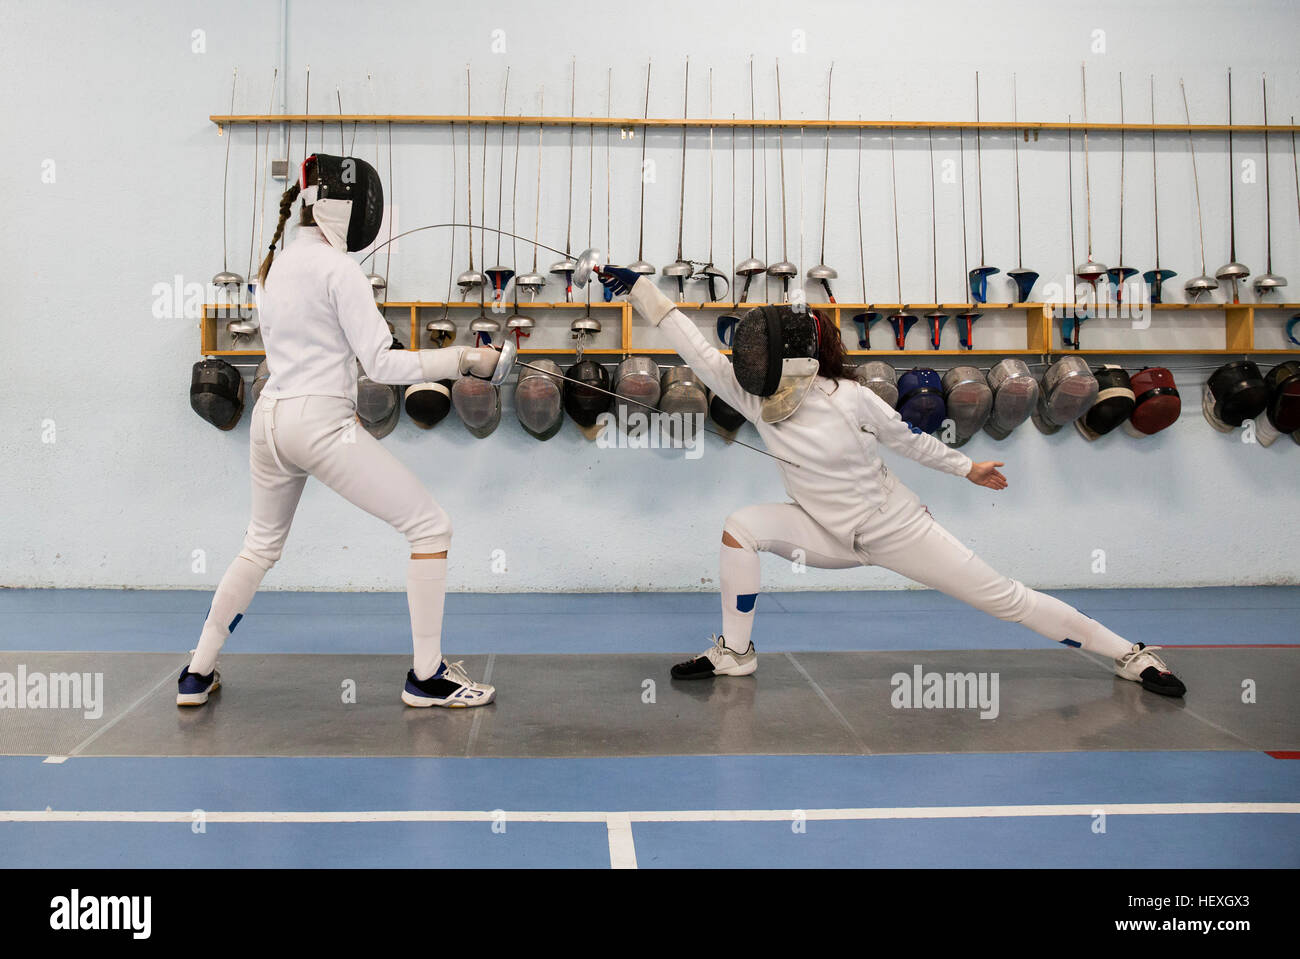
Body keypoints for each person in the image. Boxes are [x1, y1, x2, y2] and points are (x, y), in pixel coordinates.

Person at [597, 266, 1185, 697]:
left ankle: (1130, 655)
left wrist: (968, 468)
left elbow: (909, 440)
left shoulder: (851, 397)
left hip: (896, 529)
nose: (748, 356)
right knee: (740, 528)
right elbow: (696, 348)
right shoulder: (754, 396)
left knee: (1005, 599)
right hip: (825, 533)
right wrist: (642, 289)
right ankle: (735, 653)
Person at [179, 154, 498, 709]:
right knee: (430, 528)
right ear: (344, 209)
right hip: (319, 424)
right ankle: (427, 677)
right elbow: (382, 364)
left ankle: (196, 673)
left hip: (270, 420)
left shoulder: (275, 265)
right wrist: (465, 359)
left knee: (259, 547)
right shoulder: (338, 269)